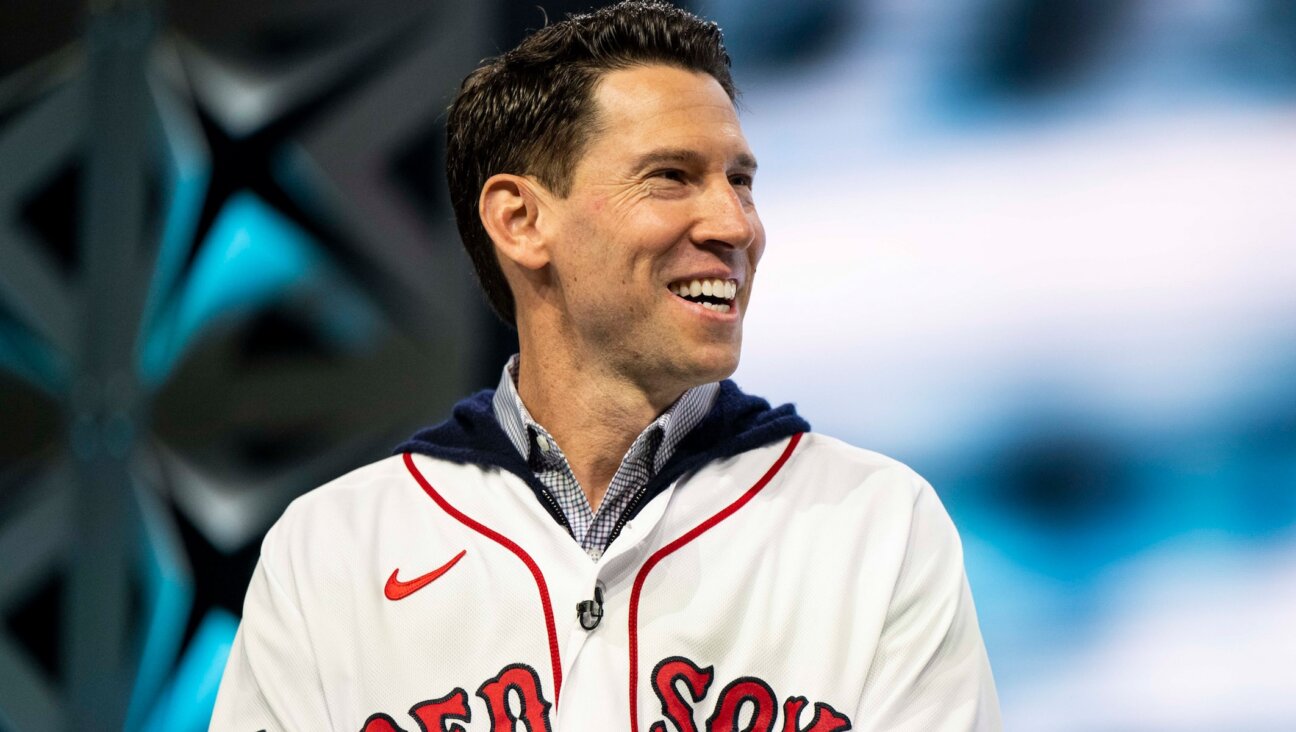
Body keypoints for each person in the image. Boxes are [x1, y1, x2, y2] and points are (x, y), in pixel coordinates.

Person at [210, 2, 1001, 730]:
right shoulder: (333, 549)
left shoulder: (878, 525)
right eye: (671, 178)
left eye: (741, 182)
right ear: (520, 221)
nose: (735, 224)